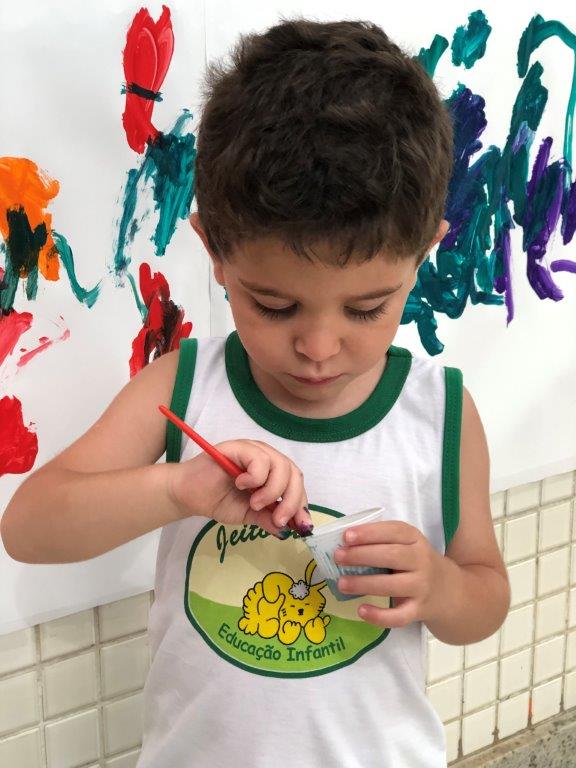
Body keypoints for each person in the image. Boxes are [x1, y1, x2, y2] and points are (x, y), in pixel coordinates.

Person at [1, 18, 510, 767]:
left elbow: (486, 599)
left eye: (367, 309)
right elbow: (29, 529)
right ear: (214, 249)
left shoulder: (440, 412)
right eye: (275, 306)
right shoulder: (183, 386)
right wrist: (177, 488)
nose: (318, 347)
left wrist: (438, 586)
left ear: (424, 254)